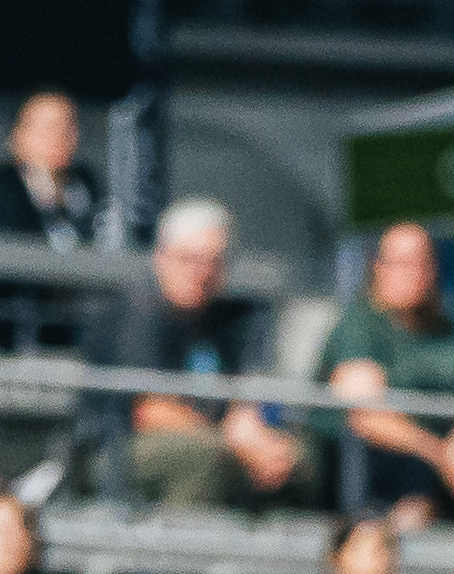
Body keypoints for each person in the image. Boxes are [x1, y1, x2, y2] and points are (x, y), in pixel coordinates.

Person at [317, 221, 454, 537]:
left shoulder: (453, 330)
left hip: (449, 461)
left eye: (421, 262)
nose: (412, 273)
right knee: (414, 480)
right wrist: (443, 456)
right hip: (380, 461)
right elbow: (367, 419)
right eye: (400, 263)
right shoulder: (358, 327)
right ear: (378, 267)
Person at [107, 200, 307, 512]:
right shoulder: (134, 314)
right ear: (161, 258)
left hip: (216, 438)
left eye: (213, 262)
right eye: (189, 259)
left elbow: (250, 396)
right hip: (117, 449)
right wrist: (232, 439)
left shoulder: (230, 321)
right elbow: (149, 412)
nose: (202, 273)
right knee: (204, 455)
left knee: (297, 456)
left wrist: (259, 440)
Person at [0, 89, 102, 354]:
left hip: (60, 338)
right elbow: (6, 260)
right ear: (19, 136)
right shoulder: (0, 188)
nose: (59, 138)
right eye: (48, 128)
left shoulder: (85, 189)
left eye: (68, 127)